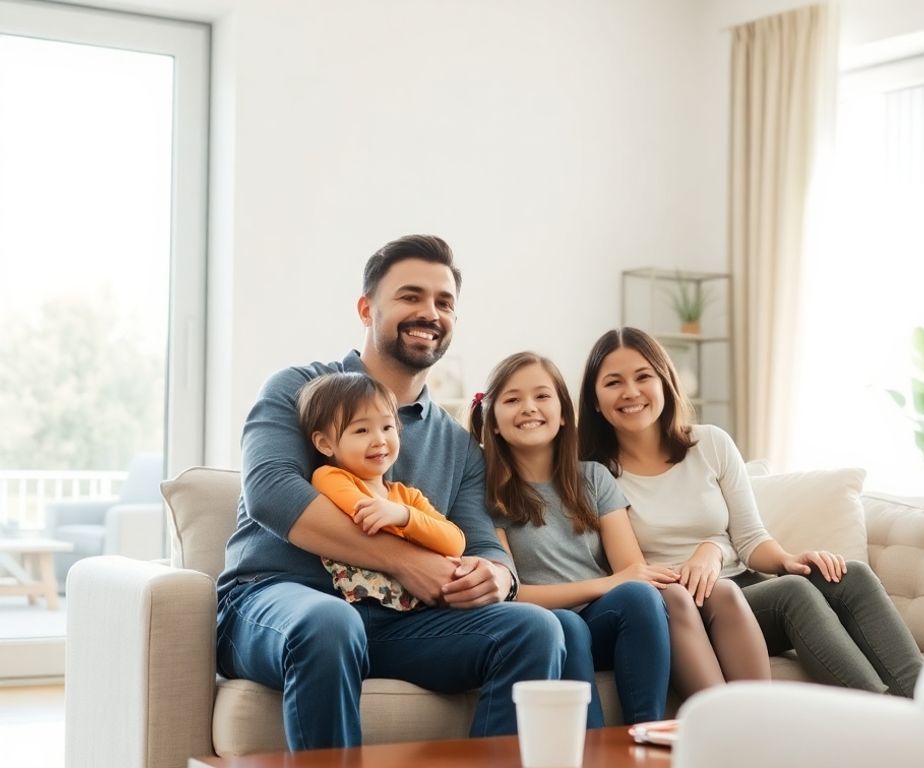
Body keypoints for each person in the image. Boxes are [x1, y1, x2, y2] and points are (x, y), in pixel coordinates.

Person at [216, 235, 564, 751]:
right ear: (366, 309)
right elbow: (271, 492)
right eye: (410, 296)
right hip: (277, 603)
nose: (430, 313)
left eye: (444, 302)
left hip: (399, 624)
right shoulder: (298, 389)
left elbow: (479, 541)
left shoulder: (459, 446)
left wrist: (498, 576)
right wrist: (404, 561)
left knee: (534, 630)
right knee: (330, 623)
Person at [579, 327, 924, 698]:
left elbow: (750, 538)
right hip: (688, 607)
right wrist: (709, 550)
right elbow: (633, 576)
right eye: (613, 382)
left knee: (850, 574)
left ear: (665, 382)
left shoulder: (710, 443)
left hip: (743, 588)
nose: (631, 392)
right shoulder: (596, 476)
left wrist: (785, 559)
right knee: (792, 593)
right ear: (595, 400)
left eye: (643, 376)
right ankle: (881, 713)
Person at [468, 351, 673, 726]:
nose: (529, 408)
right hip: (542, 629)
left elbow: (632, 572)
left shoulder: (593, 478)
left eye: (542, 396)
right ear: (492, 421)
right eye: (512, 400)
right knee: (568, 623)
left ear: (563, 413)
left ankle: (646, 733)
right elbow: (514, 593)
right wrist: (608, 583)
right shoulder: (487, 494)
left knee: (641, 596)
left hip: (603, 622)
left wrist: (618, 583)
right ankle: (589, 748)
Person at [297, 371, 466, 610]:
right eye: (361, 430)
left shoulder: (407, 498)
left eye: (387, 427)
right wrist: (422, 534)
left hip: (416, 612)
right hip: (362, 609)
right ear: (325, 444)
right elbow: (366, 517)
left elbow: (455, 542)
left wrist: (406, 516)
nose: (379, 440)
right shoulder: (329, 477)